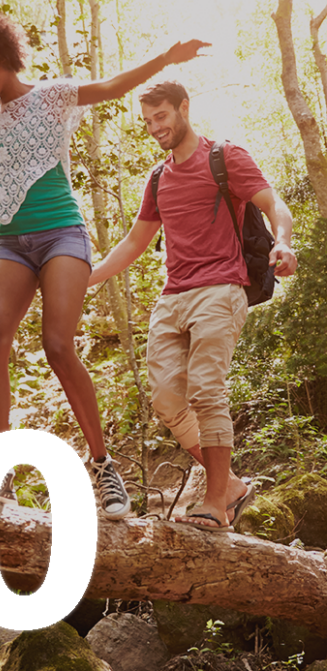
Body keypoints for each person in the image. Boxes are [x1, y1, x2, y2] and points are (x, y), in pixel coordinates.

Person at [0, 9, 208, 520]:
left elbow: (111, 85)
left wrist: (166, 58)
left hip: (62, 233)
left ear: (0, 54)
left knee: (57, 343)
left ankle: (104, 468)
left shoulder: (51, 96)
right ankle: (0, 473)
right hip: (13, 242)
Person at [88, 80, 297, 531]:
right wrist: (84, 278)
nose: (154, 127)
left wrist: (283, 242)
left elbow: (272, 201)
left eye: (161, 116)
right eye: (147, 121)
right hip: (173, 295)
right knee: (167, 400)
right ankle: (235, 486)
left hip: (221, 287)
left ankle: (216, 502)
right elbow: (133, 242)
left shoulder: (224, 157)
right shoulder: (158, 178)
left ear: (183, 108)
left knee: (205, 390)